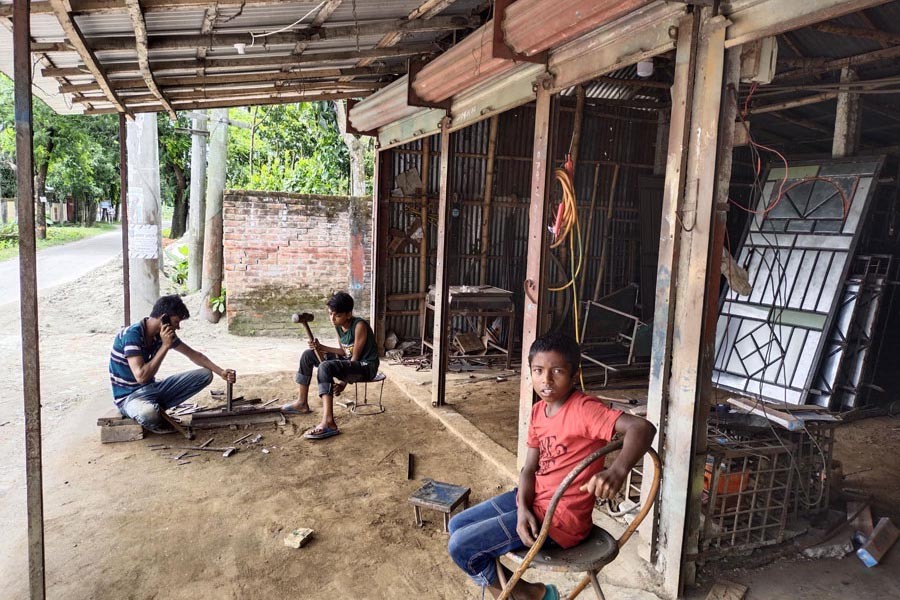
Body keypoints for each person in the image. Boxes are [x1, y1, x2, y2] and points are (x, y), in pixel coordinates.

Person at [447, 332, 656, 600]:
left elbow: (642, 427)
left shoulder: (584, 409)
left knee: (461, 547)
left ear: (574, 375)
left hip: (560, 521)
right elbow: (528, 469)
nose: (546, 380)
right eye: (538, 370)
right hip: (533, 502)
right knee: (458, 524)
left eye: (557, 371)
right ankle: (527, 593)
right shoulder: (538, 412)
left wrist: (617, 470)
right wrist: (523, 509)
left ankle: (530, 595)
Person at [109, 295, 236, 433]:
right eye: (176, 321)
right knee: (149, 414)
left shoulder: (163, 335)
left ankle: (156, 408)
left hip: (152, 389)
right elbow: (141, 377)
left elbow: (194, 355)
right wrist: (165, 346)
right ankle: (153, 413)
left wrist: (221, 372)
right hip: (129, 398)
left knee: (205, 374)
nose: (178, 327)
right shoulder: (131, 336)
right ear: (164, 318)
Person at [281, 291, 379, 441]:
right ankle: (302, 403)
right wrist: (321, 347)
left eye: (337, 315)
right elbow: (344, 351)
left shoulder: (359, 326)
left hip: (365, 367)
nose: (332, 318)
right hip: (350, 361)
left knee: (325, 367)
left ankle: (329, 422)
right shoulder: (339, 326)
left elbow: (354, 359)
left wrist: (342, 384)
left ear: (348, 314)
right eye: (330, 314)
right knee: (308, 355)